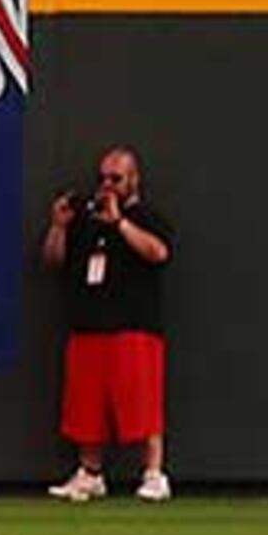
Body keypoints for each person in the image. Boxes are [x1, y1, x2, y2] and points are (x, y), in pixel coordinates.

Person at [45, 146, 176, 502]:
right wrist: (59, 226)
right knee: (86, 406)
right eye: (103, 178)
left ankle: (153, 473)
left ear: (133, 180)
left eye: (116, 178)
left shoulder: (146, 217)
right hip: (89, 326)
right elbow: (54, 260)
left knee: (142, 403)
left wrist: (119, 222)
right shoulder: (85, 221)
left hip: (134, 326)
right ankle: (90, 472)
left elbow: (158, 252)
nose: (107, 185)